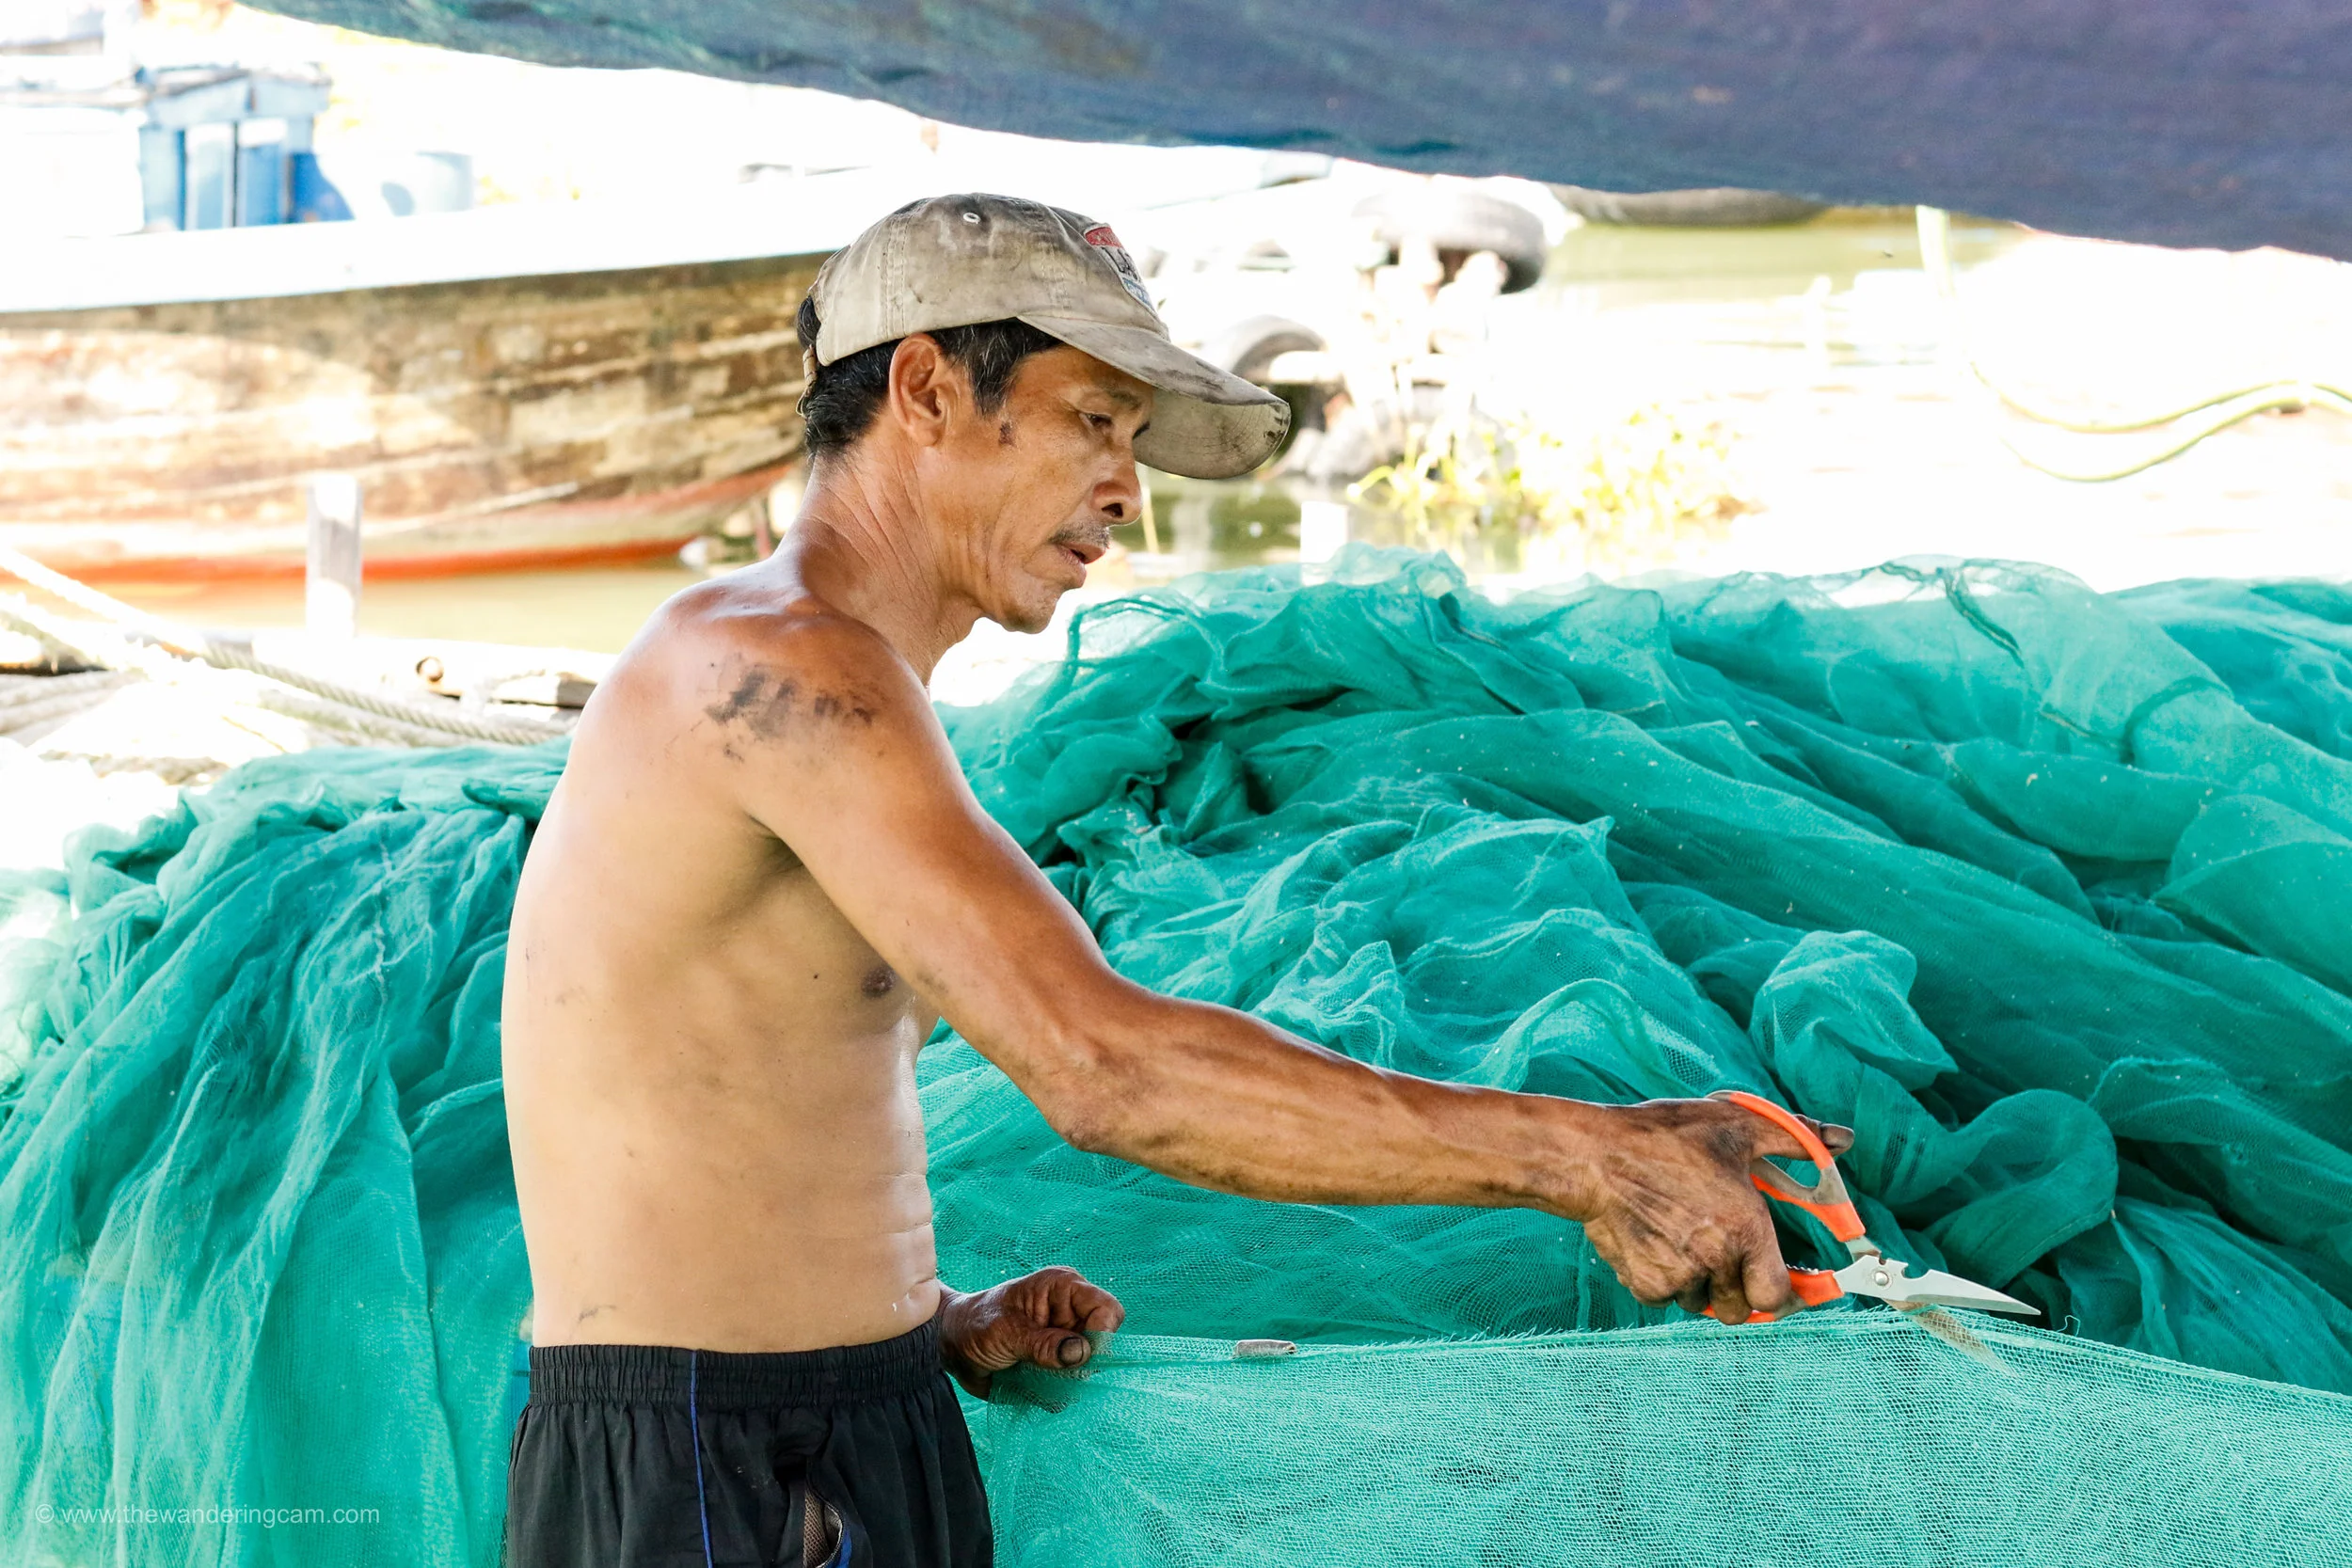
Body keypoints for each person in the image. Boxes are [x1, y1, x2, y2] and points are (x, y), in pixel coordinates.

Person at [500, 193, 1851, 1568]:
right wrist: (1586, 1159)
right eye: (1094, 419)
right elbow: (1105, 1070)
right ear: (926, 390)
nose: (1127, 489)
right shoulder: (776, 667)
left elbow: (747, 1098)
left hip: (859, 1404)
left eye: (1134, 440)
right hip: (705, 1454)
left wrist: (935, 1316)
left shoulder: (845, 692)